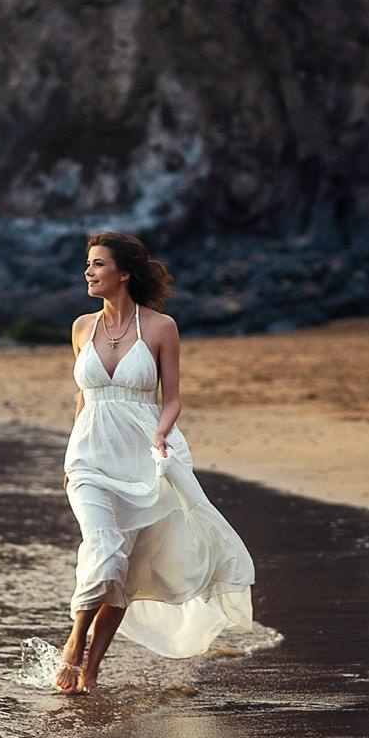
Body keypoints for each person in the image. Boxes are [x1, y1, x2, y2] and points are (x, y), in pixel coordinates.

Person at [55, 231, 255, 693]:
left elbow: (172, 399)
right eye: (88, 264)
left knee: (129, 570)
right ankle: (73, 642)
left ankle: (92, 669)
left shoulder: (162, 328)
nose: (88, 272)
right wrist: (70, 458)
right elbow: (85, 400)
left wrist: (162, 434)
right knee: (104, 547)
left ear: (124, 273)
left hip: (146, 458)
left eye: (99, 264)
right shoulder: (81, 327)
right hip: (89, 457)